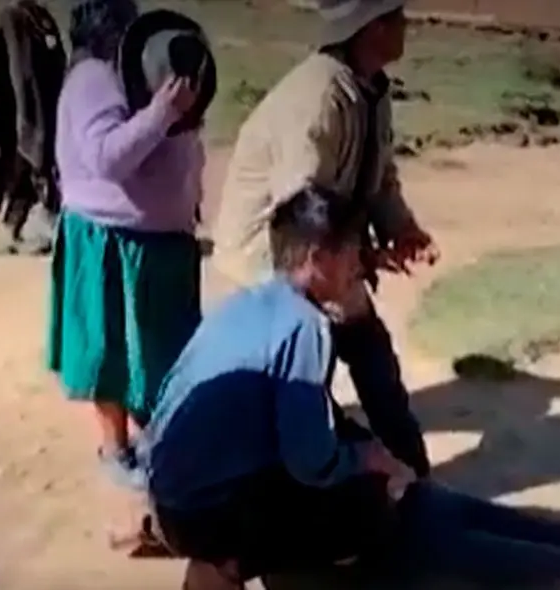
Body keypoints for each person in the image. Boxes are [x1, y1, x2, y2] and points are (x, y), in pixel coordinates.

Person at [139, 187, 560, 589]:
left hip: (176, 503)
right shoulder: (302, 326)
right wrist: (370, 460)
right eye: (354, 248)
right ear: (319, 257)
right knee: (410, 512)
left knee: (426, 503)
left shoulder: (246, 307)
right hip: (219, 513)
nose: (362, 260)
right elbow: (313, 461)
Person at [212, 0, 433, 477]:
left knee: (369, 356)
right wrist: (357, 256)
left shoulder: (368, 89)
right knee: (322, 361)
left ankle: (405, 471)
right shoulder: (317, 97)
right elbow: (301, 207)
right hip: (275, 252)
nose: (404, 25)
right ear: (369, 28)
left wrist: (401, 229)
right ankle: (365, 473)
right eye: (395, 16)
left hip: (327, 248)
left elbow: (379, 177)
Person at [46, 0, 206, 488]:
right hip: (111, 240)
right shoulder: (93, 79)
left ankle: (161, 440)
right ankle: (117, 449)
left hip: (160, 242)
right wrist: (161, 112)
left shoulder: (140, 73)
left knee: (162, 351)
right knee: (112, 352)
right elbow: (106, 158)